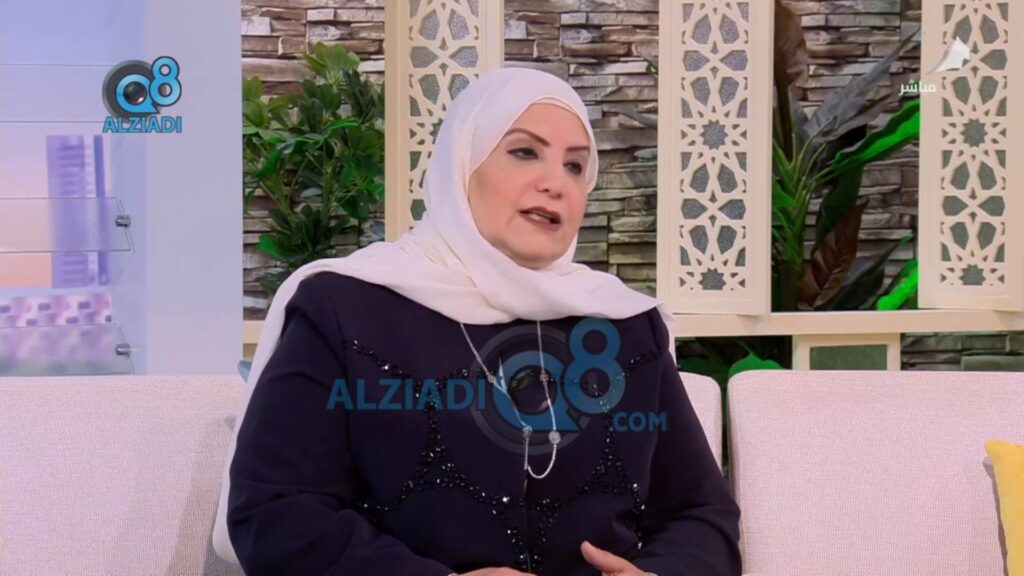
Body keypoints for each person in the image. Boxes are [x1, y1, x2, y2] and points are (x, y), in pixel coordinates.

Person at [212, 67, 741, 576]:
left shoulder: (625, 325)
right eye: (525, 152)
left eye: (576, 166)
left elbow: (701, 515)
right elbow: (276, 512)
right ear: (462, 164)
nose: (555, 183)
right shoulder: (345, 308)